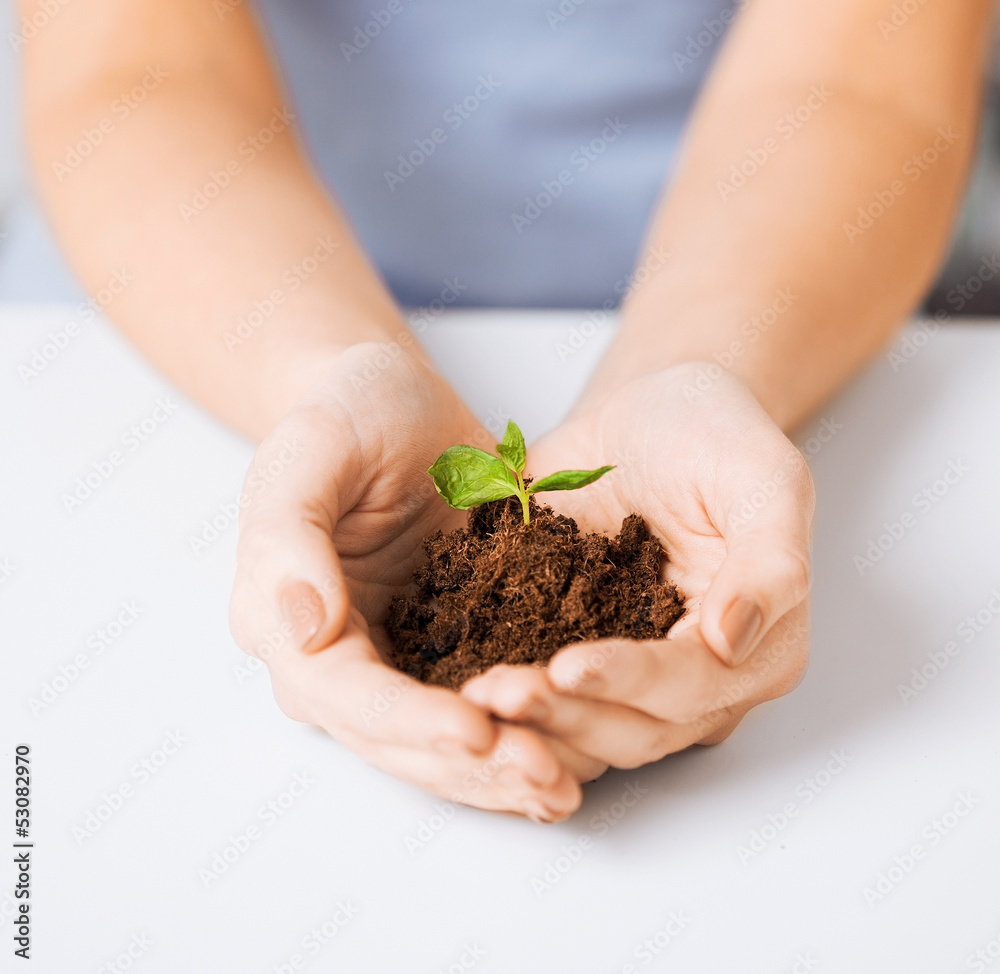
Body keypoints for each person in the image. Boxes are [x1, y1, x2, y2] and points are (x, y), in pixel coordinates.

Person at [15, 0, 994, 823]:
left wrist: (697, 368)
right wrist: (327, 380)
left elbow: (868, 78)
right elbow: (132, 69)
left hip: (768, 269)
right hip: (211, 283)